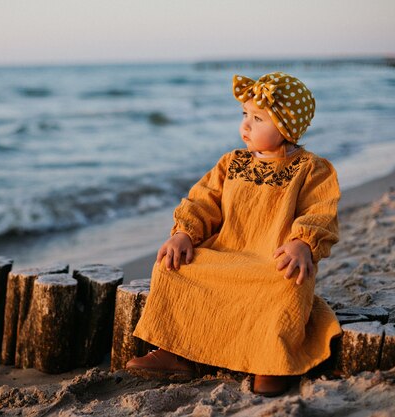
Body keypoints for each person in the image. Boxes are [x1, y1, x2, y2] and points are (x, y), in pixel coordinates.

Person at [126, 72, 342, 397]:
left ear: (286, 127)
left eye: (258, 118)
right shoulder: (232, 163)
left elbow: (320, 211)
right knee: (172, 267)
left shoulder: (311, 169)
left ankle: (271, 361)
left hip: (272, 260)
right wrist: (184, 233)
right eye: (244, 115)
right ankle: (175, 350)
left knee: (288, 284)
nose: (246, 126)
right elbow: (202, 201)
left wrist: (302, 243)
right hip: (226, 253)